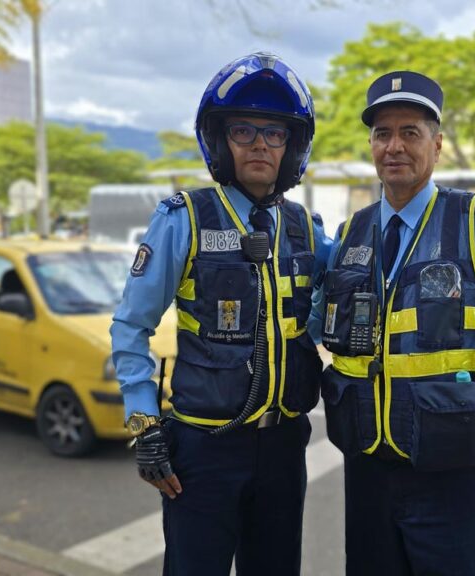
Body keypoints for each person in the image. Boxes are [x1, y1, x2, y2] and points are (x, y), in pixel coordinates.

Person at [311, 71, 475, 575]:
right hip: (367, 463)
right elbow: (319, 325)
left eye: (410, 132)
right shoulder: (350, 231)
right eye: (383, 134)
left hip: (449, 463)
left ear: (437, 144)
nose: (394, 146)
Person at [110, 52, 331, 576]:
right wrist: (144, 423)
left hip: (284, 445)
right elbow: (130, 325)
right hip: (204, 448)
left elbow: (344, 299)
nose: (259, 143)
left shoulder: (304, 228)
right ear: (220, 140)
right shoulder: (183, 218)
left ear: (291, 146)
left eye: (274, 133)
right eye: (244, 129)